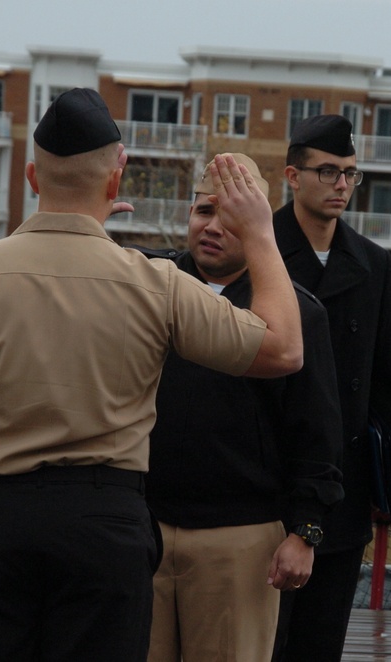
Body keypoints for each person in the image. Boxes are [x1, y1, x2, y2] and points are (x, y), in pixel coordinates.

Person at [0, 88, 303, 662]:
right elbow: (283, 350)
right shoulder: (155, 284)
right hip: (106, 527)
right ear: (116, 179)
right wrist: (258, 233)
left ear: (33, 176)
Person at [141, 153, 344, 662]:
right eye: (203, 211)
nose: (212, 227)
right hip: (142, 526)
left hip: (241, 536)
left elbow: (317, 433)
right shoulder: (144, 288)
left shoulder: (297, 316)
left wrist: (305, 532)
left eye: (231, 217)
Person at [272, 115, 391, 661]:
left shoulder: (372, 263)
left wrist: (389, 474)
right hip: (272, 483)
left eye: (350, 175)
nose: (340, 186)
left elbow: (386, 377)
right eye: (327, 171)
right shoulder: (259, 251)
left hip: (345, 490)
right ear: (293, 175)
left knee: (320, 643)